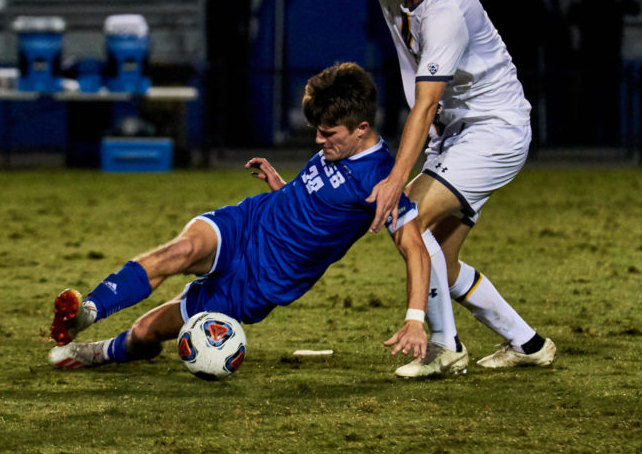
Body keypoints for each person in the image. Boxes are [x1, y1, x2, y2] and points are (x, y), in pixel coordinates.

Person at [256, 0, 556, 378]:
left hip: (492, 131)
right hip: (456, 133)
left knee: (406, 215)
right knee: (442, 260)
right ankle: (529, 343)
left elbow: (425, 107)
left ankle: (443, 346)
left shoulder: (445, 15)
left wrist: (397, 180)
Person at [48, 62, 433, 371]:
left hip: (260, 281)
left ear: (362, 128)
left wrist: (415, 318)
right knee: (178, 252)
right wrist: (282, 187)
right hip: (249, 223)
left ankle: (100, 352)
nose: (318, 140)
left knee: (150, 330)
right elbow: (318, 207)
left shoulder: (383, 179)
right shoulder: (338, 147)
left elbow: (416, 249)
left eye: (327, 132)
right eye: (316, 130)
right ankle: (90, 310)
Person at [565, 0, 641, 146]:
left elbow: (635, 9)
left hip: (610, 54)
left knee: (611, 99)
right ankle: (586, 139)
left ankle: (612, 139)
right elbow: (570, 16)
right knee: (587, 99)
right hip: (588, 54)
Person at [486, 0, 554, 154]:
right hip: (507, 53)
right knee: (505, 100)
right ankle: (509, 145)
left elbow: (543, 18)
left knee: (529, 98)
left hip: (528, 52)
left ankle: (532, 143)